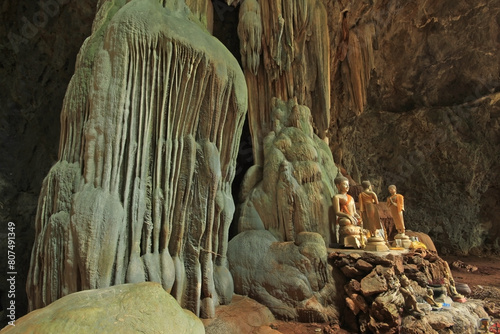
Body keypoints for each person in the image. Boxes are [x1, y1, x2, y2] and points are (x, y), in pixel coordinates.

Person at [333, 176, 361, 247]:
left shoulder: (351, 198)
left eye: (348, 184)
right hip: (344, 218)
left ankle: (358, 238)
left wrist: (359, 217)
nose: (347, 186)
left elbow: (354, 212)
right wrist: (347, 216)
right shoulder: (337, 197)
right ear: (338, 186)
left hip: (352, 218)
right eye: (345, 184)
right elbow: (337, 212)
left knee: (361, 221)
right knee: (347, 222)